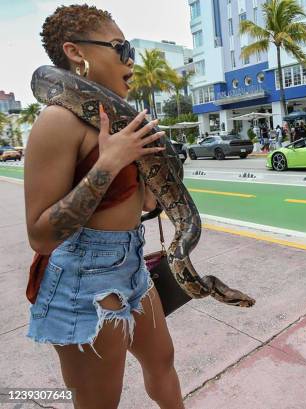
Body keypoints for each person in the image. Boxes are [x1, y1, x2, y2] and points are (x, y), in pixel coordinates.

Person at [24, 5, 184, 408]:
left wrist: (160, 167)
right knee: (100, 400)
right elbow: (41, 236)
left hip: (131, 261)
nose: (131, 59)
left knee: (162, 360)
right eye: (121, 47)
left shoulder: (121, 122)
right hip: (83, 276)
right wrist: (110, 160)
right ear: (77, 53)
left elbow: (144, 203)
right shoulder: (58, 122)